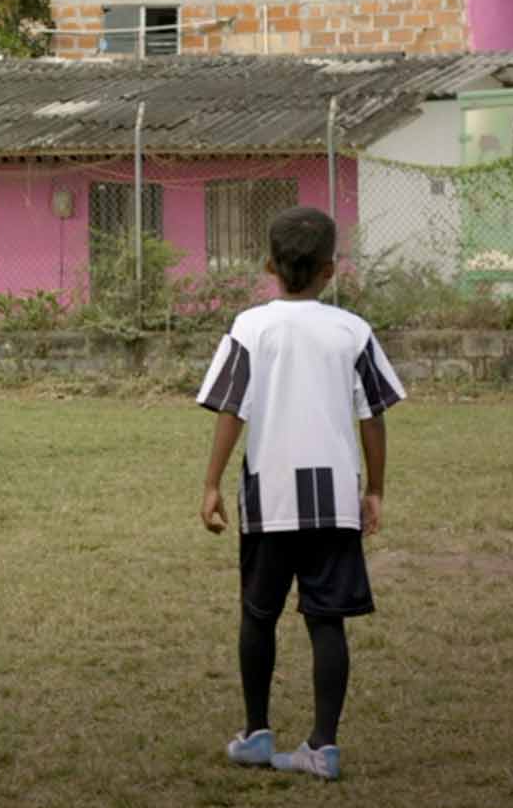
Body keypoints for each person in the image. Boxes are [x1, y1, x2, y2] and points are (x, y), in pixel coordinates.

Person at [197, 206, 403, 781]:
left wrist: (211, 483)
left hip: (269, 501)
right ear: (331, 270)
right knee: (327, 621)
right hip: (334, 502)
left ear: (269, 265)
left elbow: (231, 410)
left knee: (257, 616)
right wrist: (376, 489)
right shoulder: (352, 331)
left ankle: (256, 734)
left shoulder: (249, 327)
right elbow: (373, 416)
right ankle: (323, 746)